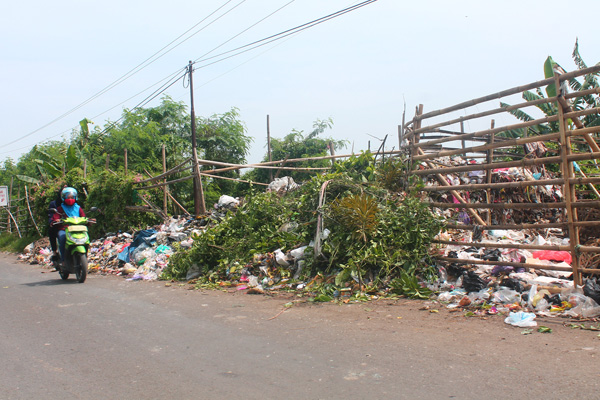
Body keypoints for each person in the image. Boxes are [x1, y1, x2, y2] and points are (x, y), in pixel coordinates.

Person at [51, 187, 86, 263]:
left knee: (86, 239)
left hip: (78, 229)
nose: (70, 199)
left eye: (72, 197)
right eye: (68, 197)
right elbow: (55, 217)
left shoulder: (78, 208)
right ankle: (63, 260)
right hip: (65, 229)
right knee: (62, 237)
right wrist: (56, 220)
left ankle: (85, 257)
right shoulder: (60, 209)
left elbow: (83, 217)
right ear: (64, 198)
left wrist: (88, 220)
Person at [47, 187, 64, 263]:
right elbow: (52, 216)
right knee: (52, 231)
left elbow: (80, 214)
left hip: (72, 225)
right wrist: (53, 221)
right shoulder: (56, 205)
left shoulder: (75, 205)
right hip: (60, 225)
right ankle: (55, 252)